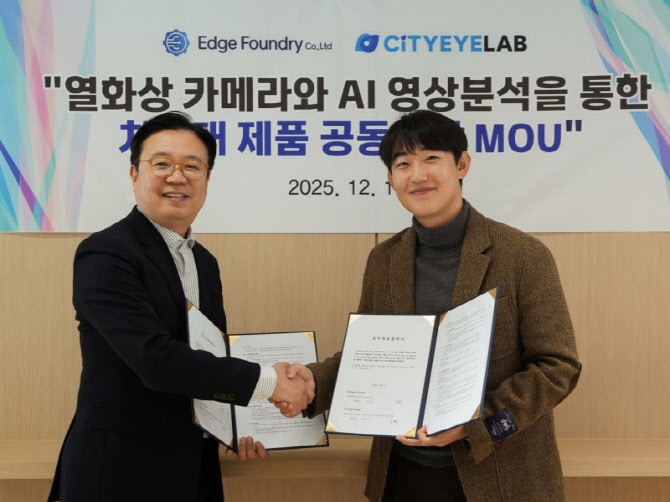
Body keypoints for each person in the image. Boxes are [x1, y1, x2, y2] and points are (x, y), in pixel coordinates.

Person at [282, 110, 581, 501]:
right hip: (403, 473)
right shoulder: (384, 259)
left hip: (501, 477)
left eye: (431, 158)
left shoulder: (523, 254)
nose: (417, 175)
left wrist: (478, 425)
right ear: (391, 178)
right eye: (403, 164)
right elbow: (369, 356)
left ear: (462, 164)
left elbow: (558, 367)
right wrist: (313, 382)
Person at [47, 111, 312, 502]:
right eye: (162, 164)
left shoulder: (204, 262)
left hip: (192, 466)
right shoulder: (106, 253)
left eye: (192, 166)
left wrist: (239, 425)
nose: (177, 176)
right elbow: (154, 359)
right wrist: (272, 383)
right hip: (119, 470)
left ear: (207, 178)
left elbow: (209, 356)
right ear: (134, 174)